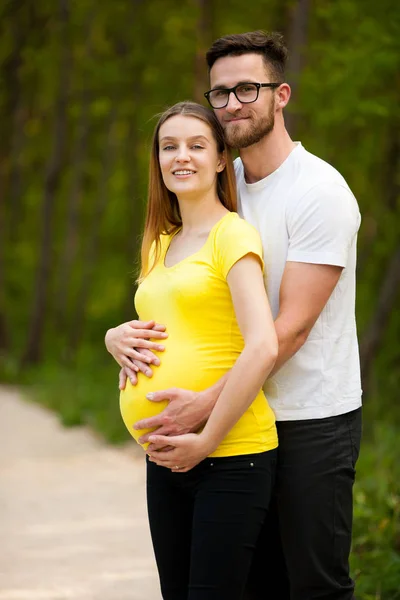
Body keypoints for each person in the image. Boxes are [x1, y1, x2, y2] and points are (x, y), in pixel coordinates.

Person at [106, 32, 362, 600]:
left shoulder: (320, 192)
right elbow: (188, 294)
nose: (232, 104)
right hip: (245, 417)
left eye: (248, 88)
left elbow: (289, 329)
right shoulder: (229, 185)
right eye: (220, 93)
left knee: (314, 584)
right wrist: (117, 334)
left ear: (282, 94)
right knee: (258, 586)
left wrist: (208, 405)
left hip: (309, 416)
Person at [112, 100, 279, 600]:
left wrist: (205, 441)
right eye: (169, 146)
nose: (180, 156)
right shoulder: (160, 243)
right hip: (163, 459)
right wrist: (112, 337)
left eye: (196, 145)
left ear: (222, 159)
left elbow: (264, 346)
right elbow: (165, 326)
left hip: (229, 455)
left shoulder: (233, 236)